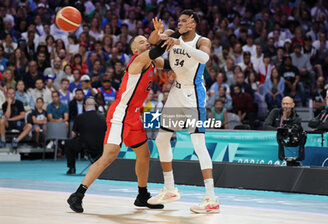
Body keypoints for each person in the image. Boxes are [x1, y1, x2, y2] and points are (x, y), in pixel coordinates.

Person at [67, 17, 193, 213]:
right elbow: (159, 48)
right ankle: (78, 194)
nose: (145, 43)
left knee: (144, 154)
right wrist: (179, 32)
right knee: (108, 156)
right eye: (140, 42)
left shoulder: (152, 61)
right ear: (135, 50)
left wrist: (185, 54)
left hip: (134, 115)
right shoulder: (138, 60)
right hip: (120, 114)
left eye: (145, 40)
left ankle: (142, 195)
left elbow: (166, 59)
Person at [147, 10, 220, 213]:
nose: (179, 24)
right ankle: (170, 188)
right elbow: (154, 41)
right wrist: (158, 32)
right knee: (161, 140)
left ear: (193, 24)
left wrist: (180, 44)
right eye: (178, 20)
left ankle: (212, 199)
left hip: (192, 95)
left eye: (183, 21)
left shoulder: (201, 40)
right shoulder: (173, 34)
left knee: (198, 144)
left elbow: (204, 58)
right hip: (176, 92)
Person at [65, 97, 106, 175]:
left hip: (85, 147)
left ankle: (72, 168)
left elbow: (73, 134)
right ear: (95, 105)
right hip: (101, 147)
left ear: (84, 106)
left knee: (68, 143)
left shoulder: (80, 117)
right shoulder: (103, 117)